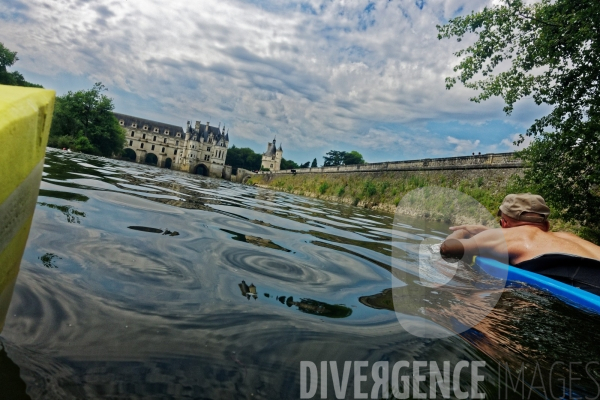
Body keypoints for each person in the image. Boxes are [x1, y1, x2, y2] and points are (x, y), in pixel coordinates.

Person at [440, 193, 600, 292]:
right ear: (546, 225)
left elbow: (447, 249)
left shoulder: (504, 236)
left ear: (504, 223)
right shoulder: (569, 236)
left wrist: (462, 231)